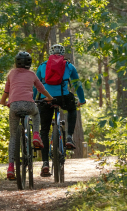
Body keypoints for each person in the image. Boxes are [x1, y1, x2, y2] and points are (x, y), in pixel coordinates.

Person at [33, 44, 86, 177]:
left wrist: (33, 99)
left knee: (44, 130)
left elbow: (35, 86)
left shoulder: (42, 66)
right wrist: (82, 99)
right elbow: (77, 85)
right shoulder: (69, 66)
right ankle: (69, 137)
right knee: (72, 109)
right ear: (62, 54)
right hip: (64, 98)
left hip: (46, 99)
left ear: (50, 54)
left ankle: (45, 163)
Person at [0, 52, 53, 179]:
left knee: (13, 137)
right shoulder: (32, 74)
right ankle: (36, 134)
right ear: (29, 64)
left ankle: (11, 168)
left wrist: (4, 102)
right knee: (36, 113)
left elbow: (6, 91)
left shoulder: (11, 74)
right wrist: (49, 98)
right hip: (29, 105)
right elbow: (41, 89)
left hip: (14, 106)